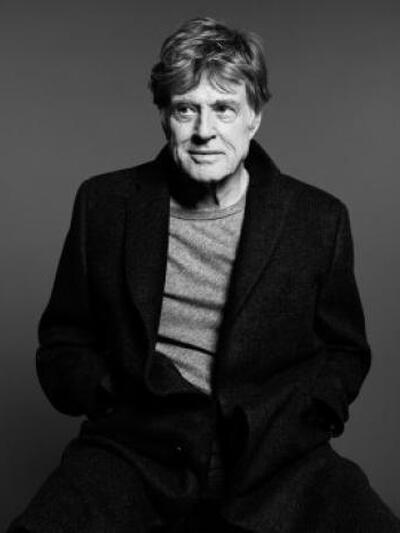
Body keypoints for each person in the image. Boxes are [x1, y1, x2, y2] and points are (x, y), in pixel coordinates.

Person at [8, 16, 400, 533]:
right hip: (137, 448)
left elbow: (345, 349)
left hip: (277, 458)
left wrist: (310, 412)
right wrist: (110, 394)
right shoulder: (105, 205)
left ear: (254, 117)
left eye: (223, 108)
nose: (203, 131)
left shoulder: (317, 218)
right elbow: (63, 341)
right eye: (185, 109)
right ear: (164, 116)